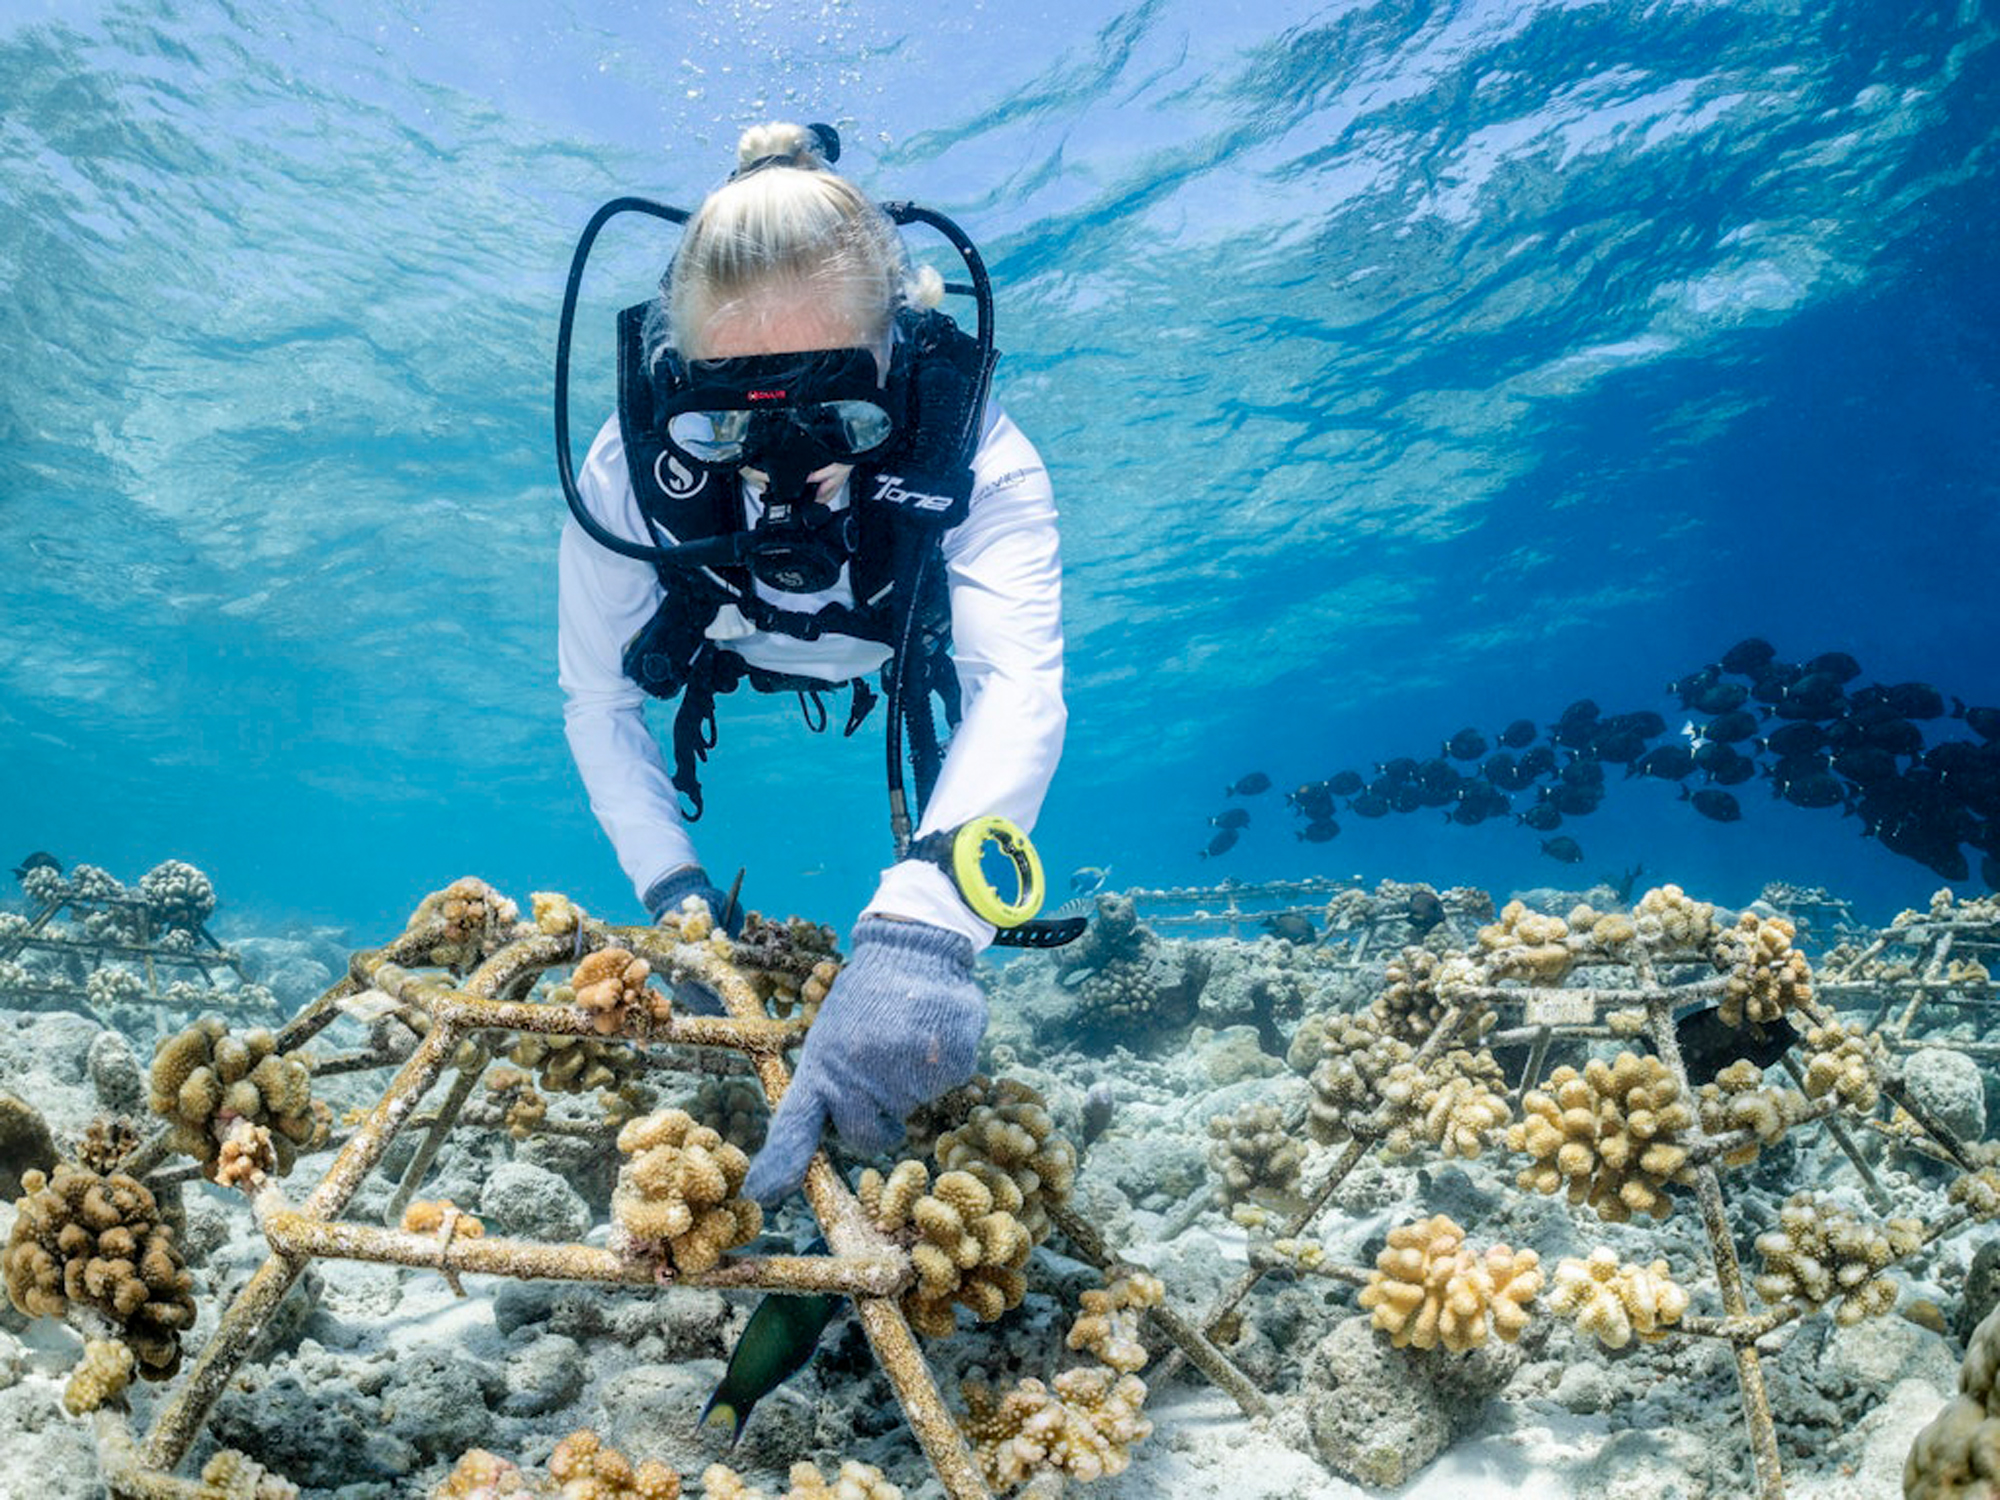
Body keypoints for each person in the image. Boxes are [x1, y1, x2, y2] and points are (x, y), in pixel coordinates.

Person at [557, 122, 1065, 1205]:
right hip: (724, 640)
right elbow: (596, 694)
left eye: (836, 411)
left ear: (899, 358)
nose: (790, 467)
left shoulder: (973, 450)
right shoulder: (628, 465)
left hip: (894, 640)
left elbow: (1014, 686)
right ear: (672, 378)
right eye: (729, 425)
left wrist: (927, 931)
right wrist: (675, 896)